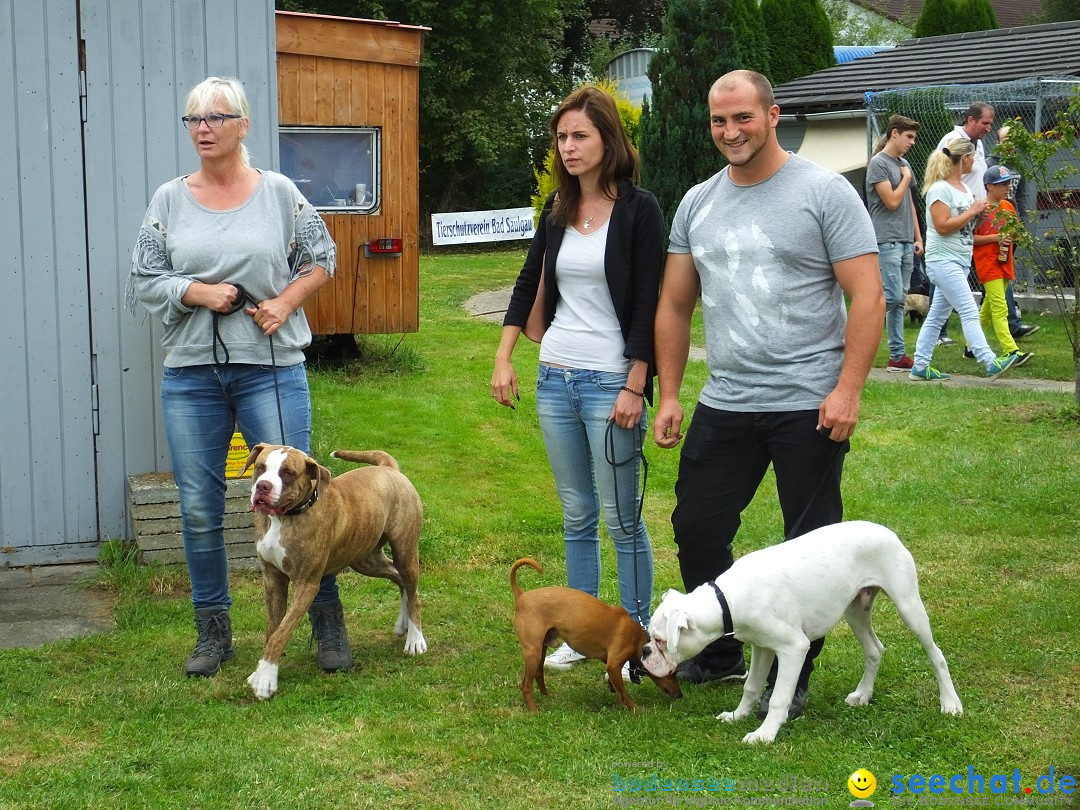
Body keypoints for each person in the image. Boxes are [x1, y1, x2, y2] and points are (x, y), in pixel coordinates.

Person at [652, 70, 884, 718]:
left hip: (809, 399)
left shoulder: (824, 193)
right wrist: (669, 396)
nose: (729, 132)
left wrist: (847, 390)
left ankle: (795, 667)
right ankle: (720, 648)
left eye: (742, 119)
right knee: (697, 526)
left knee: (810, 542)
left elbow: (867, 295)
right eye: (718, 121)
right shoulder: (697, 202)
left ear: (773, 115)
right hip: (727, 397)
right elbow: (674, 304)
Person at [129, 77, 349, 677]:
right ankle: (213, 633)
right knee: (200, 506)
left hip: (269, 370)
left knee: (304, 498)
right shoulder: (168, 200)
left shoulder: (277, 193)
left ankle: (325, 621)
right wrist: (196, 290)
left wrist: (284, 303)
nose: (203, 128)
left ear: (243, 125)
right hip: (192, 376)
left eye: (216, 117)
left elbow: (322, 258)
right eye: (193, 119)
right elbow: (144, 279)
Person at [491, 85, 664, 671]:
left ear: (608, 140)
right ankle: (580, 634)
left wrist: (636, 382)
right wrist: (504, 355)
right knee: (576, 514)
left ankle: (637, 635)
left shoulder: (641, 210)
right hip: (555, 376)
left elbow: (649, 302)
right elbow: (527, 281)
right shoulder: (557, 209)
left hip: (610, 382)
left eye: (579, 136)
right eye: (562, 137)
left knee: (621, 516)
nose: (568, 147)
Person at [908, 138, 1020, 382]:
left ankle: (920, 366)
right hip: (942, 260)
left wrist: (979, 216)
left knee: (937, 316)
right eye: (973, 157)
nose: (975, 162)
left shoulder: (965, 190)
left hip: (958, 260)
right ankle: (989, 361)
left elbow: (966, 228)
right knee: (970, 310)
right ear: (965, 158)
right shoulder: (940, 189)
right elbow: (942, 226)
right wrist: (971, 211)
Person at [866, 114, 924, 372]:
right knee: (891, 298)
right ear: (894, 134)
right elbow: (891, 201)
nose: (912, 142)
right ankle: (857, 345)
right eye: (909, 137)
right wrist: (906, 180)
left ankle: (897, 356)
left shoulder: (904, 164)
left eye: (914, 138)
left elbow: (909, 203)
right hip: (886, 239)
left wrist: (917, 236)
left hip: (904, 241)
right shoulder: (879, 164)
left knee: (898, 298)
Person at [972, 165, 1033, 366]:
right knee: (1000, 308)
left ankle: (971, 345)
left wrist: (1011, 237)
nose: (1008, 187)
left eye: (1008, 183)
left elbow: (1016, 231)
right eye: (1003, 184)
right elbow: (971, 238)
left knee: (988, 308)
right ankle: (1011, 350)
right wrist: (997, 237)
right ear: (989, 186)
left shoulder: (1007, 206)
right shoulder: (980, 208)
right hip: (987, 264)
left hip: (1004, 262)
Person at [986, 125, 1040, 340]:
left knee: (1000, 278)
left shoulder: (1018, 166)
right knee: (999, 276)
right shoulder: (990, 166)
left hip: (1012, 227)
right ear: (998, 141)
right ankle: (1012, 325)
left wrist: (1022, 223)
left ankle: (990, 324)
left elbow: (1023, 197)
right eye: (1006, 140)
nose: (1011, 144)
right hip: (994, 230)